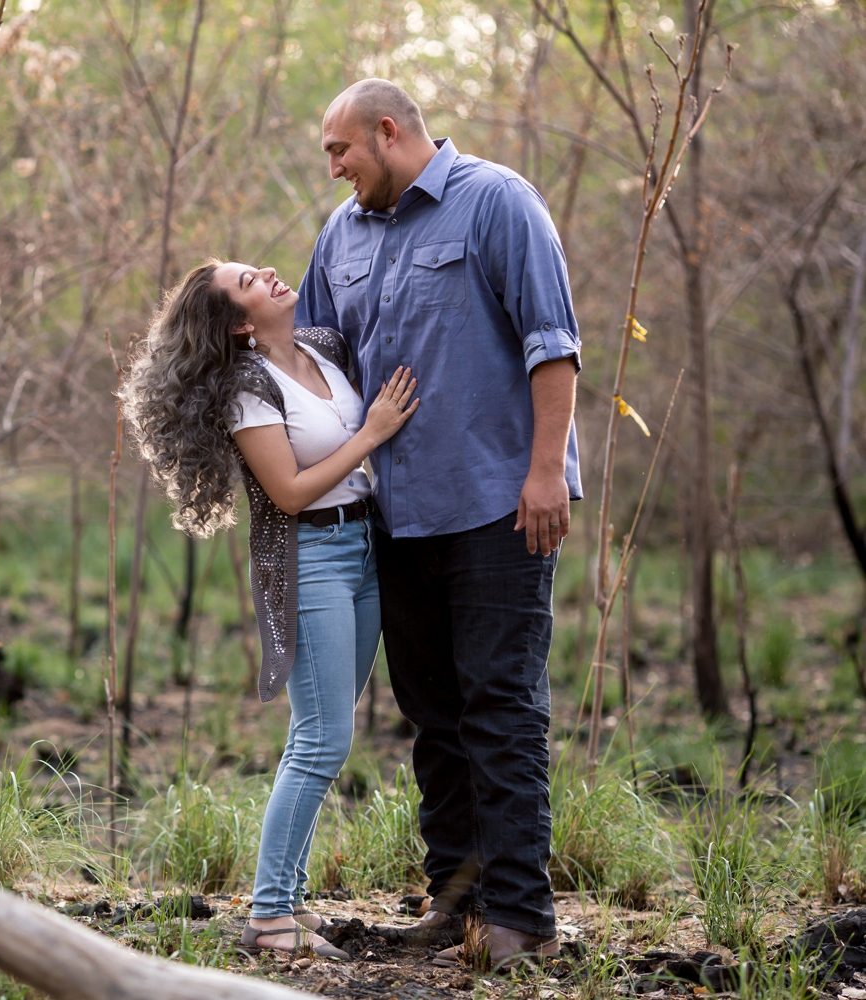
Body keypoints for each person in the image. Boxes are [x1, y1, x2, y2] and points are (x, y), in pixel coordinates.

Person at [293, 78, 581, 969]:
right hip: (397, 514)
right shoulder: (341, 234)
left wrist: (544, 474)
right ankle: (456, 902)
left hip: (500, 505)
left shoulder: (496, 202)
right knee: (433, 715)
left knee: (499, 707)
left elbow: (552, 343)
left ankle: (520, 920)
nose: (334, 168)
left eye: (341, 150)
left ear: (388, 133)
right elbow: (308, 359)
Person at [122, 257, 419, 960]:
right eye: (251, 280)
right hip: (310, 558)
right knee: (323, 741)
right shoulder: (247, 390)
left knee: (320, 733)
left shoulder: (324, 347)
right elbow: (288, 492)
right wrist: (372, 434)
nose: (272, 273)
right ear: (241, 323)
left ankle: (284, 897)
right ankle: (269, 916)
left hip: (366, 550)